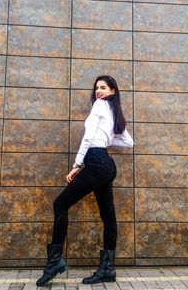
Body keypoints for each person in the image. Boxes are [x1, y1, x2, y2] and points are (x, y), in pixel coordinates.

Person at [36, 75, 134, 286]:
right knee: (108, 217)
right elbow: (128, 141)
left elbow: (89, 137)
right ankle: (107, 269)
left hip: (96, 162)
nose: (98, 91)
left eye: (103, 87)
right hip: (106, 165)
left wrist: (76, 165)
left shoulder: (99, 105)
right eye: (97, 87)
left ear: (112, 91)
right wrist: (107, 138)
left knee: (60, 204)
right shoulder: (114, 112)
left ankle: (54, 263)